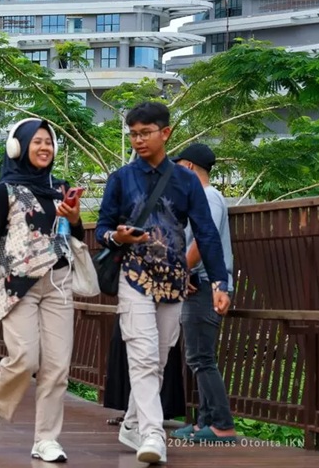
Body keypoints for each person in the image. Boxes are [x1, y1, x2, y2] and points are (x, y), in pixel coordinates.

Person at [96, 102, 230, 465]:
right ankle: (153, 434)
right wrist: (118, 237)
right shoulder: (121, 178)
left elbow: (206, 233)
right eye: (133, 134)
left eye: (145, 133)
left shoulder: (186, 181)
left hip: (174, 281)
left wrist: (220, 282)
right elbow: (102, 229)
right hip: (133, 276)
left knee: (158, 359)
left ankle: (132, 423)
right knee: (142, 354)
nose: (138, 140)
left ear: (165, 133)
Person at [0, 119, 83, 463]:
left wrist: (75, 218)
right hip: (18, 285)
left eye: (48, 142)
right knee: (25, 358)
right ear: (18, 146)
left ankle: (46, 439)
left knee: (57, 366)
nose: (44, 147)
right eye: (37, 141)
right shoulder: (4, 190)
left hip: (59, 281)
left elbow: (74, 237)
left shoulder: (60, 188)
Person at [172, 144, 237, 443]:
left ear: (188, 167)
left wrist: (181, 271)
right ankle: (205, 422)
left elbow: (202, 239)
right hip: (201, 284)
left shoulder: (208, 197)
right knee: (198, 356)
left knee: (201, 357)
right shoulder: (205, 197)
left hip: (207, 286)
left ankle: (222, 425)